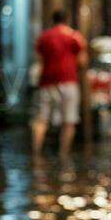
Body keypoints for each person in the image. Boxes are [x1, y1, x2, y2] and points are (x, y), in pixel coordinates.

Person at [30, 10, 87, 156]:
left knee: (41, 119)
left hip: (46, 81)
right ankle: (63, 153)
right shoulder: (74, 36)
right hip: (68, 80)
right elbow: (82, 60)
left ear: (52, 20)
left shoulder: (43, 37)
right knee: (68, 120)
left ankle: (36, 153)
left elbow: (38, 59)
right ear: (67, 20)